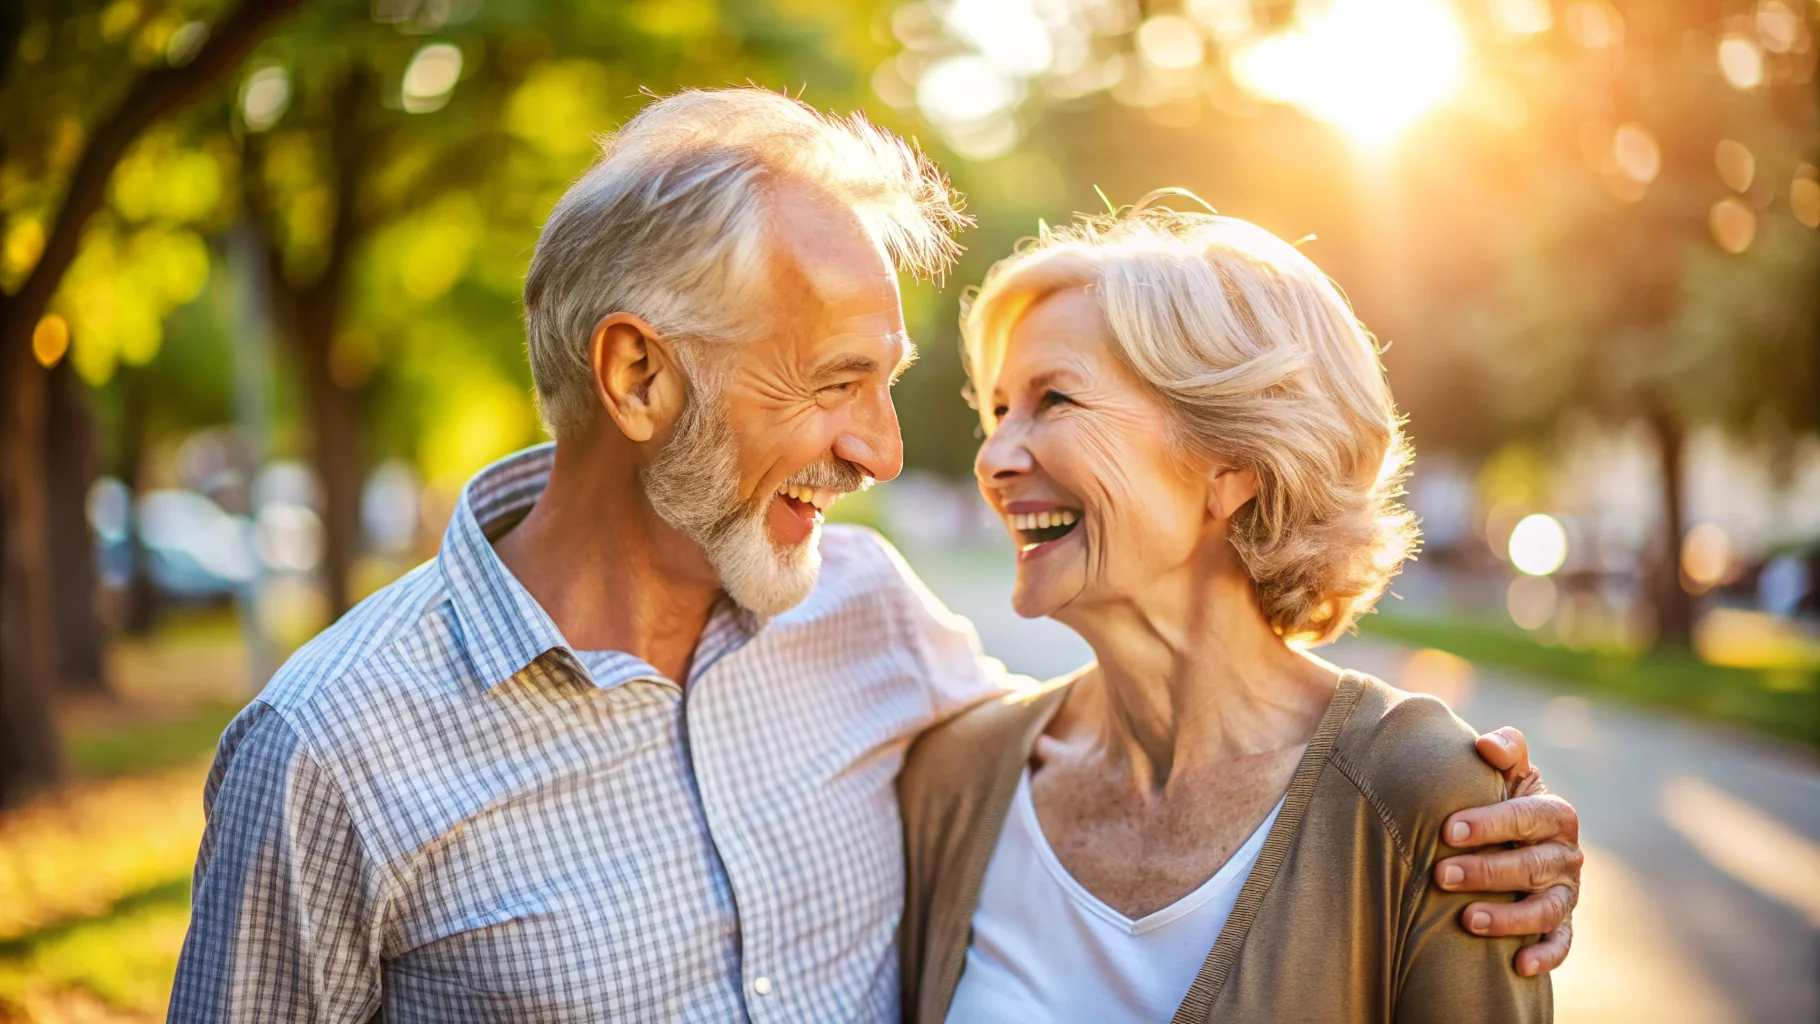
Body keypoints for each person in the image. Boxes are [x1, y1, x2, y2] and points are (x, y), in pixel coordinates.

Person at [168, 91, 1578, 1022]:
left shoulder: (872, 623)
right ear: (640, 377)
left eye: (894, 387)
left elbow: (1227, 739)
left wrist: (1470, 817)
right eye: (835, 382)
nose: (890, 455)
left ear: (1233, 470)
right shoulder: (325, 754)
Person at [899, 197, 1566, 1022]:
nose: (994, 457)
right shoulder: (954, 778)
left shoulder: (1424, 795)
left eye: (1054, 401)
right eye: (998, 412)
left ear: (1232, 463)